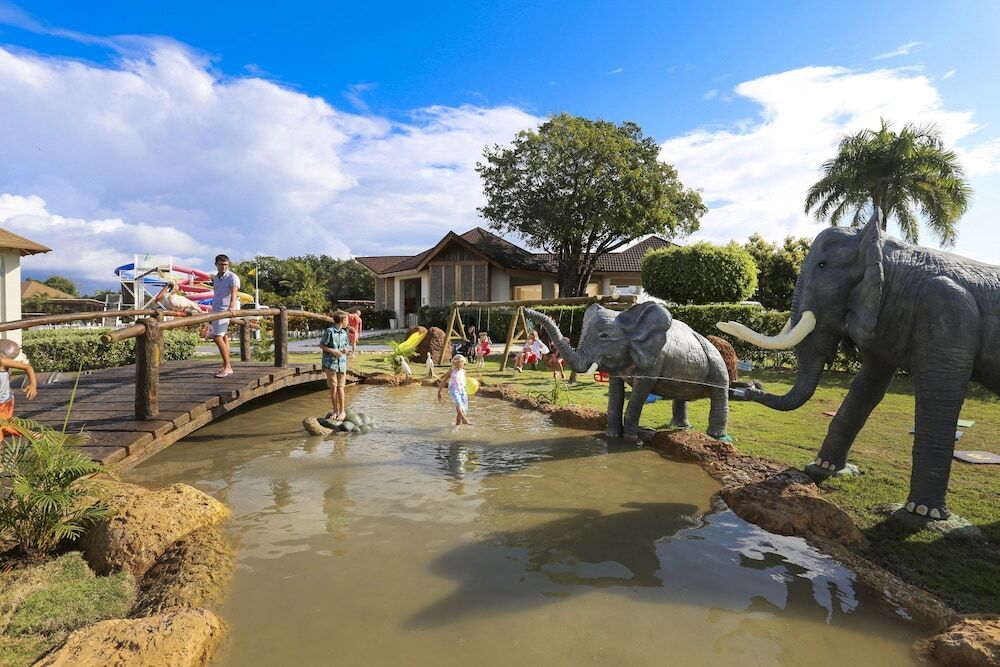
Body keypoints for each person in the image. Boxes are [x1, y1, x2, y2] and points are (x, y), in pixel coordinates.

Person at [209, 254, 241, 378]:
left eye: (226, 265)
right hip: (216, 310)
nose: (224, 267)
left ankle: (228, 367)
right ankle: (225, 365)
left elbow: (234, 293)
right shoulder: (216, 278)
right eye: (221, 265)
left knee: (217, 337)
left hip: (224, 311)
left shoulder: (232, 277)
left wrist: (232, 307)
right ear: (216, 264)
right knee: (223, 337)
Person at [0, 339, 37, 437]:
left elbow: (28, 367)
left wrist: (32, 385)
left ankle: (33, 435)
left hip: (4, 403)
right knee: (5, 424)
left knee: (3, 424)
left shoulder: (2, 362)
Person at [320, 311, 351, 421]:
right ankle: (335, 411)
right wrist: (333, 351)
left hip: (342, 364)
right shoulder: (329, 331)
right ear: (342, 320)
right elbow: (322, 345)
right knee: (333, 388)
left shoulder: (344, 333)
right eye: (347, 320)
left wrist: (346, 350)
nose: (348, 322)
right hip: (330, 364)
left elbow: (347, 346)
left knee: (341, 387)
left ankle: (342, 412)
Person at [437, 354, 471, 426]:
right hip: (453, 390)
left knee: (461, 408)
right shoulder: (451, 370)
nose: (461, 365)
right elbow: (444, 381)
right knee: (458, 403)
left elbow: (464, 381)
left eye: (462, 363)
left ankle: (457, 425)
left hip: (462, 390)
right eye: (459, 363)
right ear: (455, 363)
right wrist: (439, 392)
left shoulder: (463, 371)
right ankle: (464, 419)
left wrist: (467, 390)